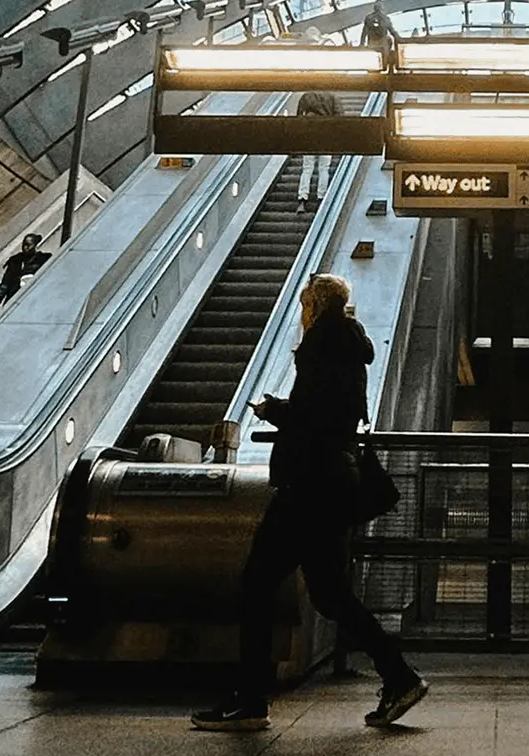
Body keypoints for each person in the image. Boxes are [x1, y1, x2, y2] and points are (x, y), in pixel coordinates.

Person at [191, 274, 425, 732]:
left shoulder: (323, 344)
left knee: (257, 583)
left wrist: (276, 410)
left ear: (316, 304)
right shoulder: (350, 346)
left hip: (310, 485)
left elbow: (314, 416)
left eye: (306, 303)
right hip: (334, 482)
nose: (304, 311)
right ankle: (400, 677)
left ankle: (250, 700)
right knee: (330, 595)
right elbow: (335, 411)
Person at [293, 89, 342, 209]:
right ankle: (321, 197)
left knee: (307, 168)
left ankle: (302, 199)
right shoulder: (332, 96)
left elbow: (298, 118)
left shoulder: (306, 96)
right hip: (326, 135)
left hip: (309, 135)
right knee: (324, 168)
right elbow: (340, 117)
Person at [0, 233, 49, 311]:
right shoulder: (15, 260)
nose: (25, 248)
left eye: (28, 245)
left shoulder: (43, 259)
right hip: (14, 297)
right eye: (23, 245)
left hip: (34, 297)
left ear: (35, 245)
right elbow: (6, 282)